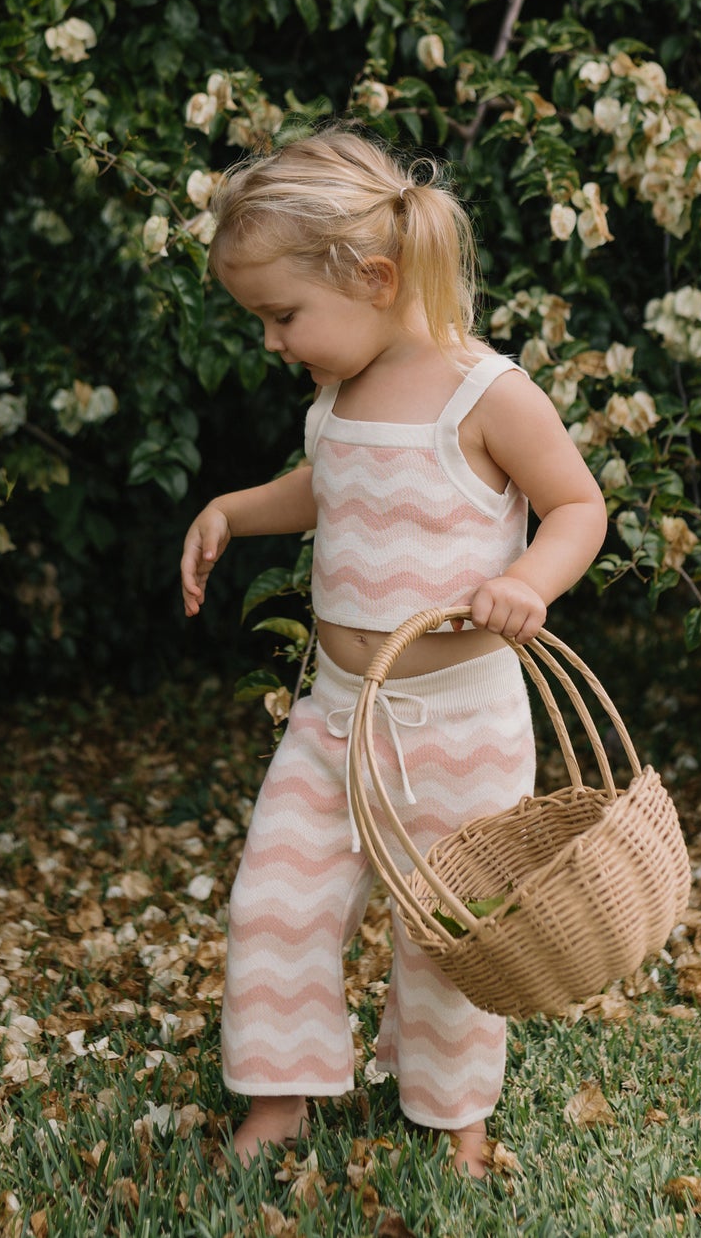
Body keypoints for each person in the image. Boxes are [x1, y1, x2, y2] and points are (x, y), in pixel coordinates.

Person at [179, 127, 608, 1177]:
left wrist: (526, 582)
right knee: (277, 898)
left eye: (283, 316)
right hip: (335, 716)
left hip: (459, 725)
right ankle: (279, 1099)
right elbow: (322, 487)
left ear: (372, 278)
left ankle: (452, 1113)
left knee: (444, 937)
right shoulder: (340, 393)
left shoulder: (484, 393)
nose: (275, 342)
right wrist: (235, 509)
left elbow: (575, 504)